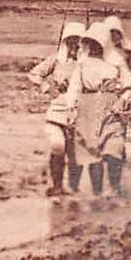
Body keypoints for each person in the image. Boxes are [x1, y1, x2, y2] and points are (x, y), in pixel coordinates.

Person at [66, 23, 130, 196]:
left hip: (112, 109)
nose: (93, 47)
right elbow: (74, 87)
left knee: (114, 146)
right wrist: (71, 107)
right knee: (92, 151)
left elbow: (130, 86)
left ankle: (115, 188)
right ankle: (97, 193)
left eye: (97, 43)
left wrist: (122, 100)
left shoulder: (116, 62)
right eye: (90, 43)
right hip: (88, 108)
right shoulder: (82, 64)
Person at [28, 20, 86, 196]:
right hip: (57, 111)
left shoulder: (87, 63)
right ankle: (57, 185)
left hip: (79, 112)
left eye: (78, 40)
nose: (75, 45)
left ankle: (74, 188)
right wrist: (47, 87)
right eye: (71, 40)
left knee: (76, 153)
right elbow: (34, 74)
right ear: (66, 41)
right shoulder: (55, 60)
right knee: (57, 145)